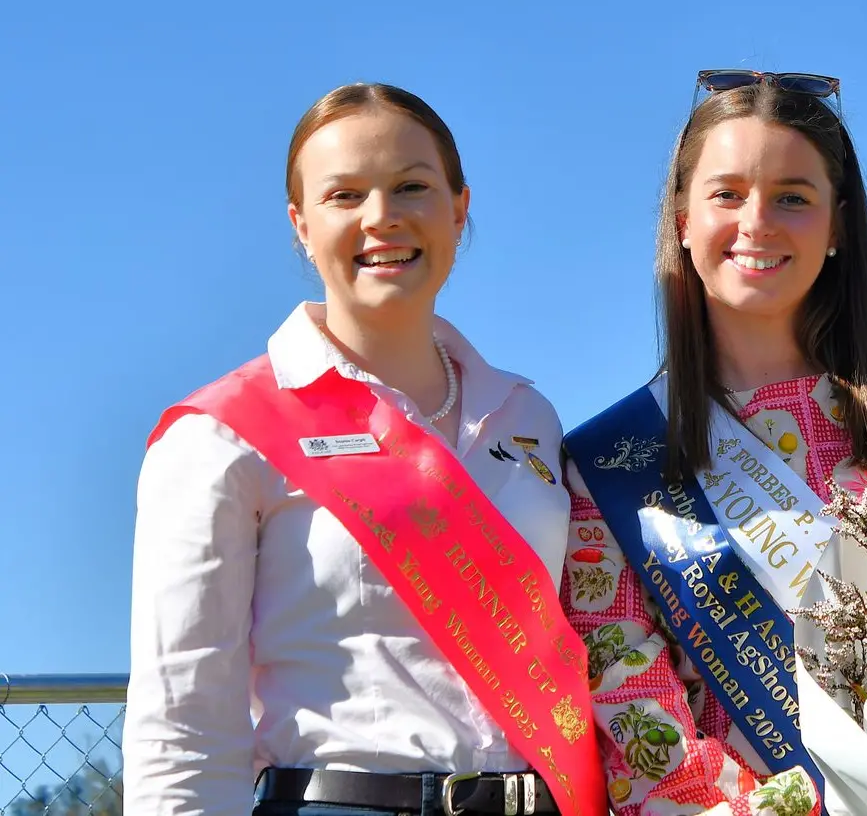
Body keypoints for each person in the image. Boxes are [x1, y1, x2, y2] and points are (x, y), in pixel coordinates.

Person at [124, 83, 605, 816]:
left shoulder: (527, 416)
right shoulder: (221, 435)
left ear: (459, 209)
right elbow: (182, 723)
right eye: (344, 196)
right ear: (300, 226)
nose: (382, 217)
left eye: (412, 186)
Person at [560, 71, 867, 816]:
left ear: (837, 225)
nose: (757, 222)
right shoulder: (609, 465)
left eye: (792, 197)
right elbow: (632, 699)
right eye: (726, 194)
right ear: (681, 218)